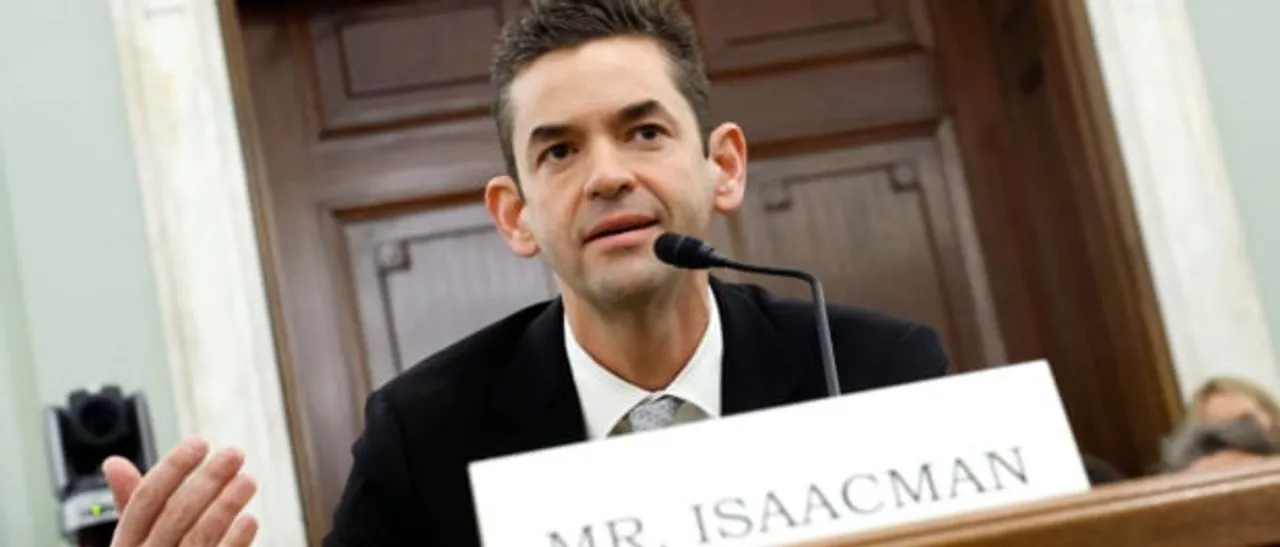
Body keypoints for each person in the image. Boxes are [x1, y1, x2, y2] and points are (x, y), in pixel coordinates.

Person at [101, 0, 950, 545]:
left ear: (722, 166)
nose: (608, 174)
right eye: (560, 150)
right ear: (515, 214)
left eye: (644, 131)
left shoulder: (881, 373)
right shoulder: (423, 435)